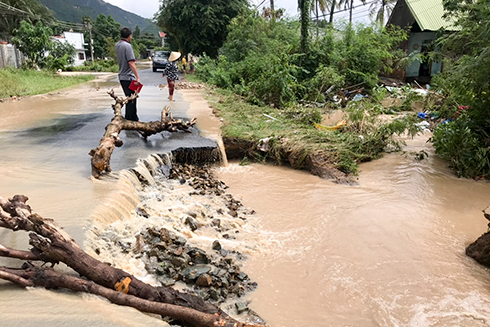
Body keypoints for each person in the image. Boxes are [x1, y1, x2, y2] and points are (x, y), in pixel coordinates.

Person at [115, 27, 141, 121]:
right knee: (132, 99)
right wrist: (137, 77)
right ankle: (132, 119)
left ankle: (131, 118)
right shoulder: (127, 46)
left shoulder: (117, 45)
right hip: (129, 77)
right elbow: (131, 62)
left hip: (122, 77)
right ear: (129, 36)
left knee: (129, 98)